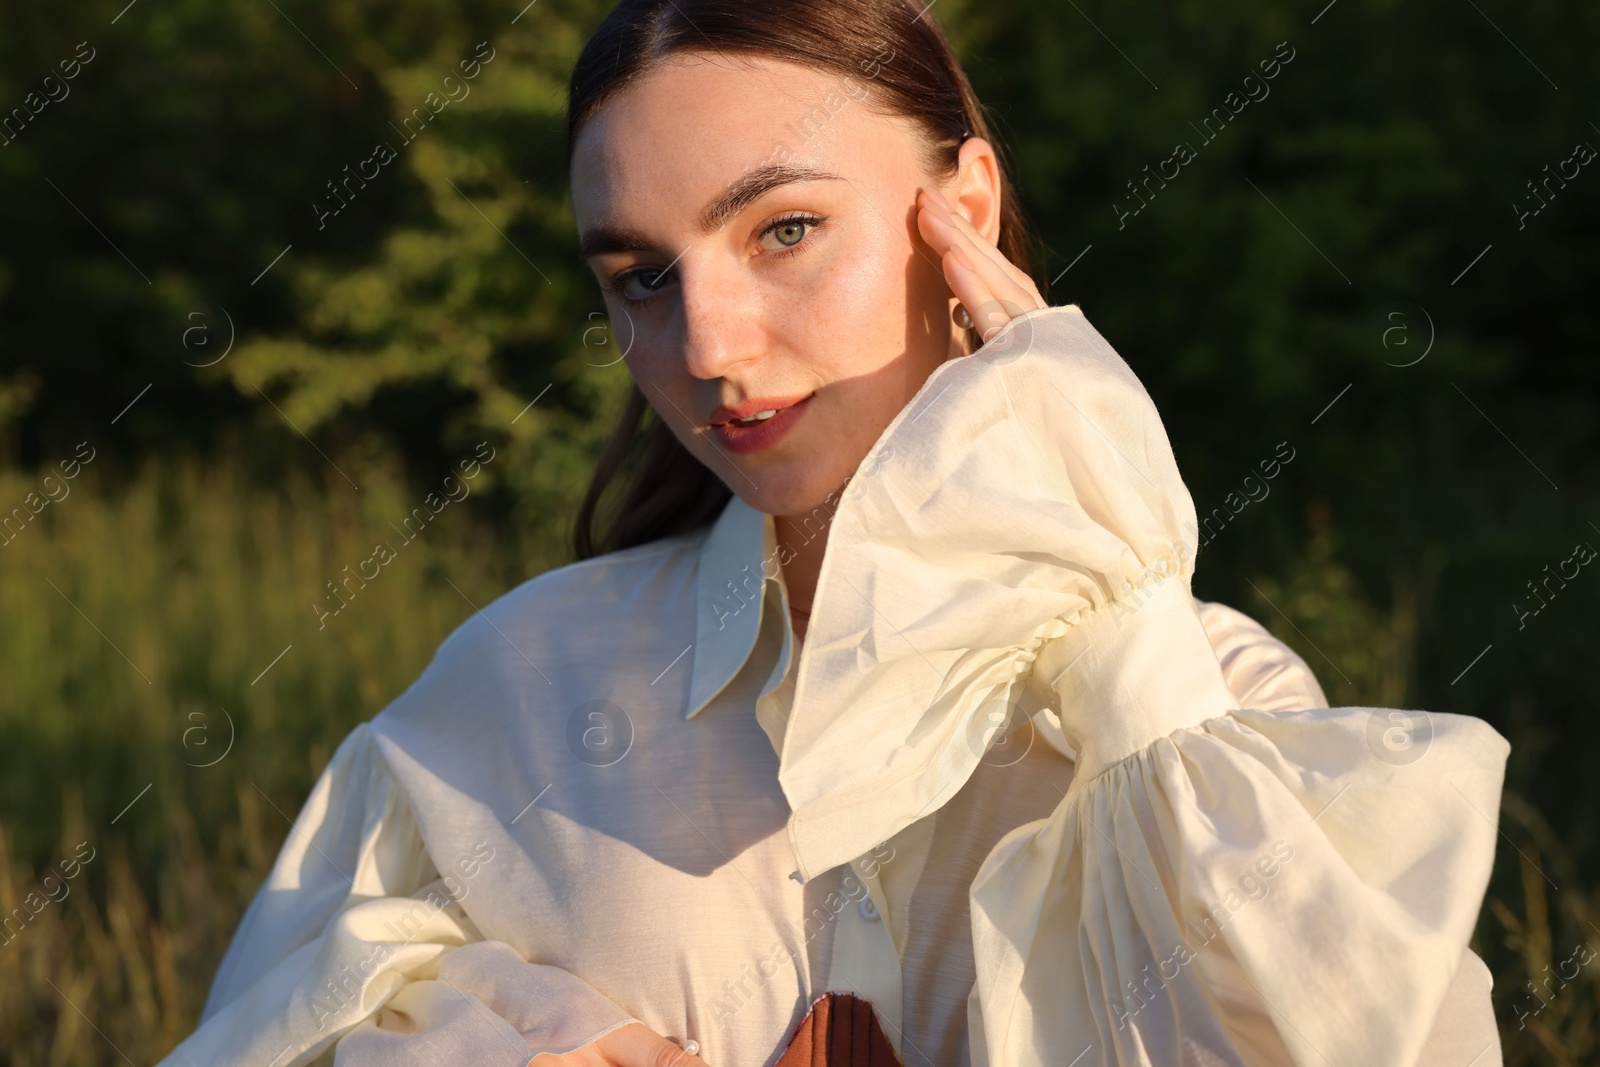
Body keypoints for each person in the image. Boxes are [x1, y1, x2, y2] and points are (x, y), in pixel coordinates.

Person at [156, 1, 1510, 1064]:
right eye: (640, 279)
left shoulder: (1211, 712)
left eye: (785, 227)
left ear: (960, 212)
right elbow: (298, 1012)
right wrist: (491, 1036)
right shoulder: (515, 691)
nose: (705, 346)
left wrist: (1111, 623)